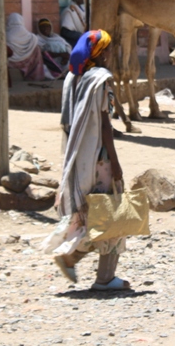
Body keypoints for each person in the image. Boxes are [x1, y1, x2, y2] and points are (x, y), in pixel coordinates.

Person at [42, 29, 131, 291]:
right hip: (99, 158)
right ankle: (104, 278)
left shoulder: (74, 78)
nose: (111, 54)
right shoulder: (101, 80)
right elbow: (105, 125)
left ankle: (71, 257)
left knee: (91, 212)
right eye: (109, 49)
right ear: (100, 52)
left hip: (79, 156)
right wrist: (115, 163)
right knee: (112, 211)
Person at [6, 12, 58, 81]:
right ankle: (36, 75)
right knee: (37, 49)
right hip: (28, 63)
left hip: (11, 63)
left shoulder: (5, 36)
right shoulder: (31, 37)